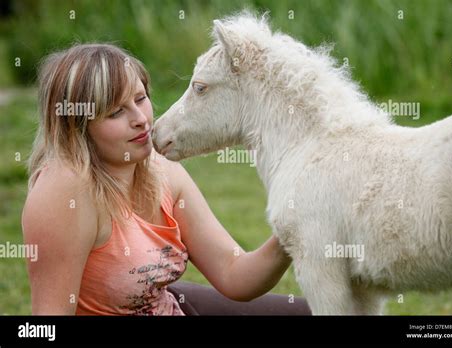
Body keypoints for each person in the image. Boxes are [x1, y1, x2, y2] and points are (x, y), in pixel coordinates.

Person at [22, 43, 309, 315]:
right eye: (116, 112)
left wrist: (292, 222)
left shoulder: (161, 170)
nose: (141, 119)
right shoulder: (64, 191)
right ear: (78, 126)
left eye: (140, 98)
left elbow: (234, 273)